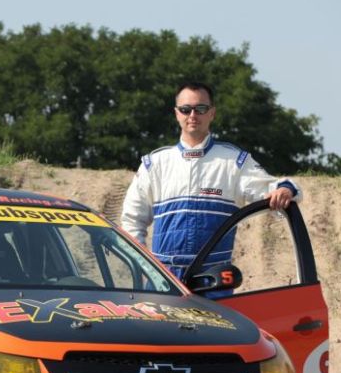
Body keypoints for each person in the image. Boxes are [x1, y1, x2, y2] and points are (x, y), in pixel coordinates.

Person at [121, 82, 301, 285]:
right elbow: (131, 220)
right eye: (185, 109)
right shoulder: (154, 164)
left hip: (214, 279)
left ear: (212, 113)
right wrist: (145, 267)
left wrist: (285, 190)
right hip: (164, 280)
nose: (192, 115)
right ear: (176, 113)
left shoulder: (234, 161)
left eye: (200, 109)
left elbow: (276, 190)